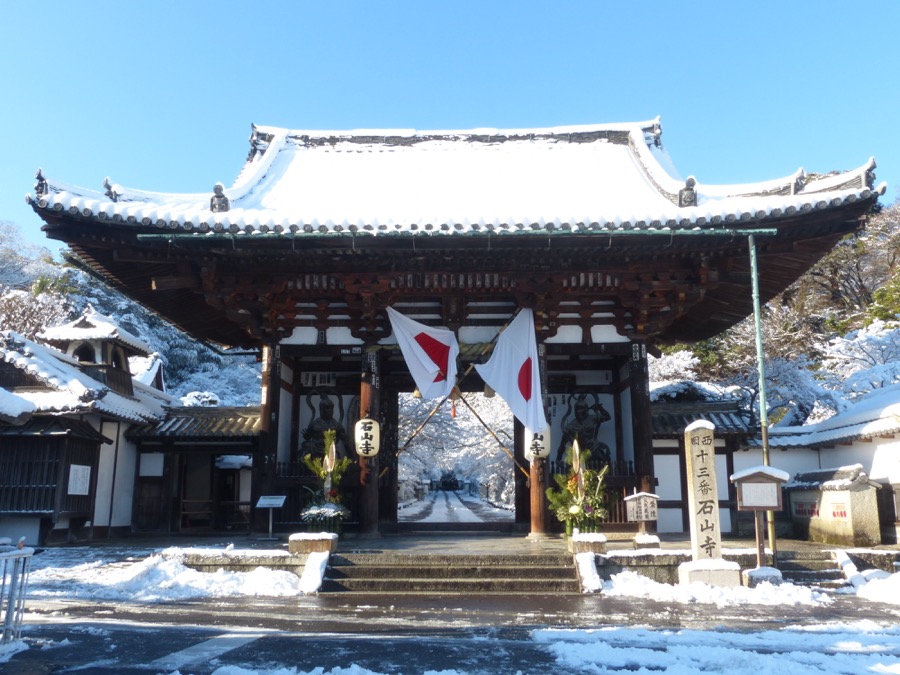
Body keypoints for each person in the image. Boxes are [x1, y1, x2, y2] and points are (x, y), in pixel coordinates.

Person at [556, 398, 611, 463]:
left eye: (581, 408)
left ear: (586, 409)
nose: (579, 411)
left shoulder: (592, 418)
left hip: (593, 448)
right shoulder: (571, 426)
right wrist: (558, 459)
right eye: (577, 408)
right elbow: (562, 445)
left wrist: (600, 408)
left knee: (603, 454)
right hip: (580, 452)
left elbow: (607, 417)